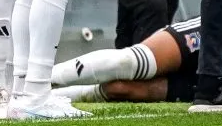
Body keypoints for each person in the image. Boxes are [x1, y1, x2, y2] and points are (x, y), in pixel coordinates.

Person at [51, 17, 202, 103]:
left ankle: (51, 97)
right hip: (212, 36)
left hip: (215, 83)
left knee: (118, 89)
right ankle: (41, 80)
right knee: (127, 62)